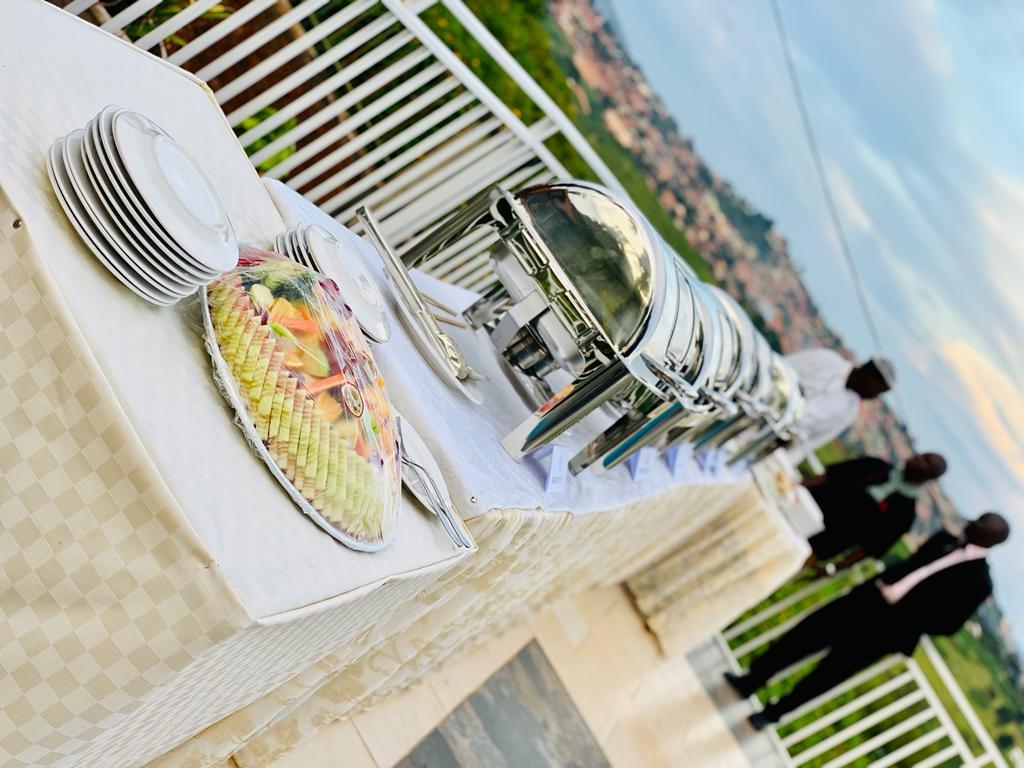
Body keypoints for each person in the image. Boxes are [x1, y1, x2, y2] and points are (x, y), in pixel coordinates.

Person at [725, 513, 1010, 728]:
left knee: (830, 672)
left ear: (991, 539)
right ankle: (752, 679)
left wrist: (910, 622)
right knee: (804, 635)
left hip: (889, 630)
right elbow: (910, 564)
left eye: (982, 524)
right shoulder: (944, 540)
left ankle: (772, 714)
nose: (974, 523)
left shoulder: (980, 582)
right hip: (868, 599)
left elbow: (948, 625)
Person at [804, 452, 948, 572]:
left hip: (815, 548)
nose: (918, 458)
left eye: (925, 461)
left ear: (930, 477)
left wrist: (833, 569)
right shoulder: (876, 465)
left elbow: (869, 550)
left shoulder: (905, 514)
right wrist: (794, 486)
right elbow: (829, 477)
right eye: (922, 455)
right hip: (800, 510)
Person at [784, 350, 896, 463]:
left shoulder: (850, 410)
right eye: (878, 390)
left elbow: (809, 445)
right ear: (869, 374)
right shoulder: (826, 359)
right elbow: (781, 368)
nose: (875, 396)